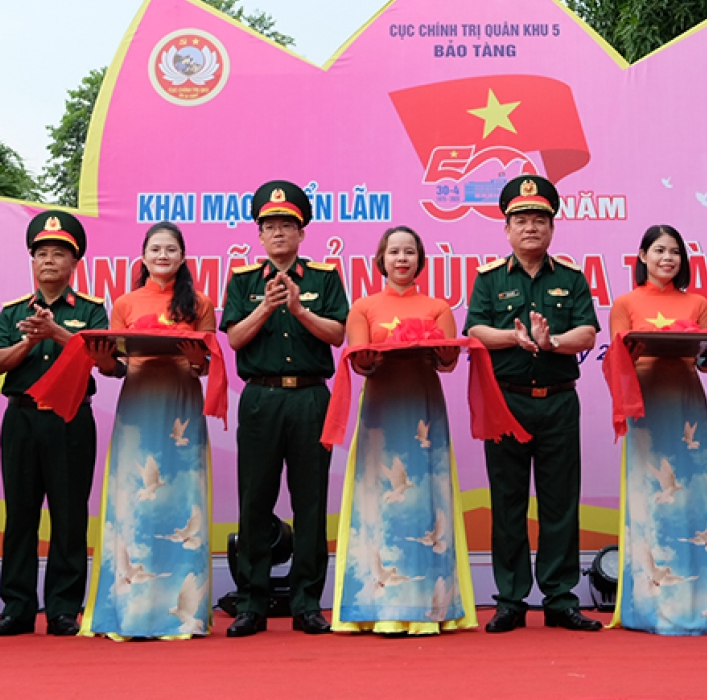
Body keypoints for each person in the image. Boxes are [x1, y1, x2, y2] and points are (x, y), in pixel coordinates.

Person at [464, 175, 600, 633]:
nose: (530, 227)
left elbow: (588, 333)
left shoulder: (572, 278)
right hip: (507, 403)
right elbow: (476, 329)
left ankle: (560, 597)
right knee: (508, 503)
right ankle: (511, 599)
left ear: (551, 227)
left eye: (539, 219)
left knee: (560, 502)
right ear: (507, 228)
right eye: (521, 219)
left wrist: (552, 341)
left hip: (559, 403)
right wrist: (515, 339)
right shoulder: (488, 279)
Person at [332, 225, 475, 635]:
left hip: (423, 410)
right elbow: (359, 362)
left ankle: (429, 608)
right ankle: (377, 605)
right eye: (394, 252)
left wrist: (440, 353)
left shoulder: (437, 307)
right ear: (381, 259)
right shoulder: (363, 307)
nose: (401, 259)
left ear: (419, 260)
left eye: (409, 252)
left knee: (425, 501)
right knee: (379, 502)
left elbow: (447, 362)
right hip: (380, 410)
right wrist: (371, 359)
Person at [222, 181, 348, 637]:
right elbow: (234, 338)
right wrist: (266, 308)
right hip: (260, 398)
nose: (278, 233)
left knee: (311, 501)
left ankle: (307, 601)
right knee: (255, 499)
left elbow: (337, 335)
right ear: (259, 235)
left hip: (312, 396)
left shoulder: (324, 277)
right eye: (270, 226)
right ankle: (251, 602)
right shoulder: (242, 280)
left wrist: (298, 310)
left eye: (287, 226)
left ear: (301, 232)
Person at [82, 221, 219, 639]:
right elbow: (117, 366)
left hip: (181, 401)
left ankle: (182, 611)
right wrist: (105, 362)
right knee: (134, 502)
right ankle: (128, 609)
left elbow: (206, 366)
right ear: (143, 257)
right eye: (155, 249)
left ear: (182, 257)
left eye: (170, 249)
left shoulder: (198, 302)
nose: (163, 256)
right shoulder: (124, 303)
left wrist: (198, 356)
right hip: (138, 406)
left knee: (180, 503)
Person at [0, 211, 112, 638]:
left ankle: (62, 608)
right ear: (32, 261)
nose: (49, 261)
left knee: (69, 515)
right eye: (41, 253)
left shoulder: (92, 311)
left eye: (58, 253)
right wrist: (29, 340)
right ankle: (17, 608)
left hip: (71, 419)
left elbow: (107, 363)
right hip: (21, 418)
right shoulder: (13, 311)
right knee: (19, 515)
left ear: (74, 263)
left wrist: (57, 333)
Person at [609, 224, 707, 635]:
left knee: (696, 502)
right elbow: (617, 360)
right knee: (652, 502)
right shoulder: (626, 302)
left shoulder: (698, 302)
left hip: (687, 405)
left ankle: (705, 608)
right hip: (646, 407)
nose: (668, 258)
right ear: (643, 256)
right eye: (660, 250)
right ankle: (652, 607)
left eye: (675, 252)